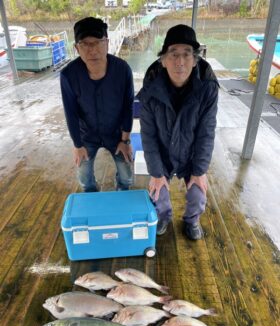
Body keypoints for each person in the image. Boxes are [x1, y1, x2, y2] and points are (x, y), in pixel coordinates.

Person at [138, 24, 219, 240]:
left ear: (195, 60)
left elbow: (206, 132)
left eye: (186, 54)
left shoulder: (208, 88)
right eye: (173, 54)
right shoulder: (150, 90)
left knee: (198, 194)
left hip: (191, 153)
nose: (180, 61)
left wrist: (199, 170)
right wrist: (156, 172)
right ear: (163, 60)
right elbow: (148, 135)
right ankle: (163, 217)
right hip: (163, 153)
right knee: (158, 193)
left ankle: (192, 220)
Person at [60, 17, 134, 192]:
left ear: (107, 43)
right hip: (87, 135)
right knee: (84, 179)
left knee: (127, 177)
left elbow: (128, 106)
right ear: (76, 48)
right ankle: (92, 199)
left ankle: (121, 197)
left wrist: (125, 140)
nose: (92, 49)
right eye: (85, 44)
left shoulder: (123, 70)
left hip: (116, 134)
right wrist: (78, 146)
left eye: (97, 42)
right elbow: (70, 113)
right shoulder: (68, 75)